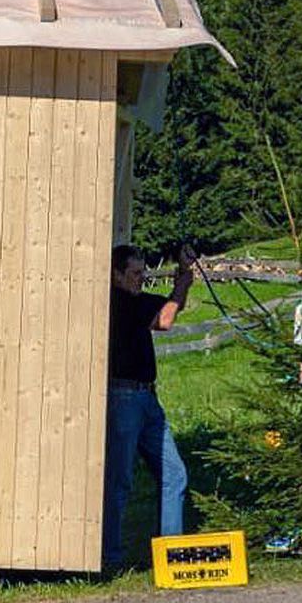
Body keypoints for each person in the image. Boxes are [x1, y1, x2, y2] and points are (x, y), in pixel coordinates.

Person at [102, 243, 194, 572]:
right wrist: (184, 277)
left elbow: (168, 311)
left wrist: (183, 279)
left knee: (174, 473)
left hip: (145, 398)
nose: (141, 280)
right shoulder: (120, 303)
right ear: (115, 275)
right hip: (125, 398)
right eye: (135, 274)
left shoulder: (135, 301)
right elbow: (167, 318)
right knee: (120, 480)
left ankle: (169, 556)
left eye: (144, 273)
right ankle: (110, 557)